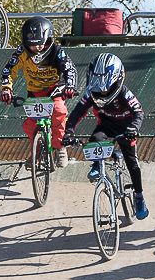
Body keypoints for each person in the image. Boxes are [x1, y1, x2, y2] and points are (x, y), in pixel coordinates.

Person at [63, 53, 149, 219]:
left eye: (105, 86)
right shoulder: (90, 94)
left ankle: (139, 196)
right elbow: (76, 113)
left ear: (117, 80)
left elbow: (138, 112)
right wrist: (69, 131)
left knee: (132, 163)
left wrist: (134, 128)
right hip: (106, 126)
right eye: (96, 84)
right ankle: (97, 165)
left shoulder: (124, 92)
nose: (101, 91)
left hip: (126, 128)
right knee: (94, 139)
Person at [0, 17, 77, 169]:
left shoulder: (57, 52)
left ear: (48, 39)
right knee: (30, 125)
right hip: (34, 93)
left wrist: (70, 86)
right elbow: (8, 70)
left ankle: (60, 147)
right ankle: (37, 149)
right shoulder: (22, 52)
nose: (37, 48)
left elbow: (70, 69)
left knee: (59, 112)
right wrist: (6, 88)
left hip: (54, 90)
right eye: (32, 45)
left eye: (40, 44)